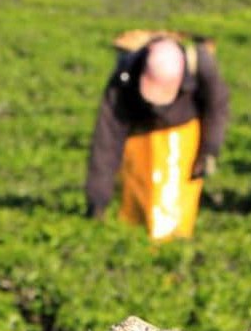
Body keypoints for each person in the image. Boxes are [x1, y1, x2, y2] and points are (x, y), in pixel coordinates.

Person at [85, 35, 230, 225]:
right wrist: (97, 200)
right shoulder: (126, 76)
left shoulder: (201, 65)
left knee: (176, 212)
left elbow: (217, 109)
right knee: (137, 207)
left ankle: (175, 233)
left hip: (184, 136)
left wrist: (208, 151)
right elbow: (106, 140)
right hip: (140, 138)